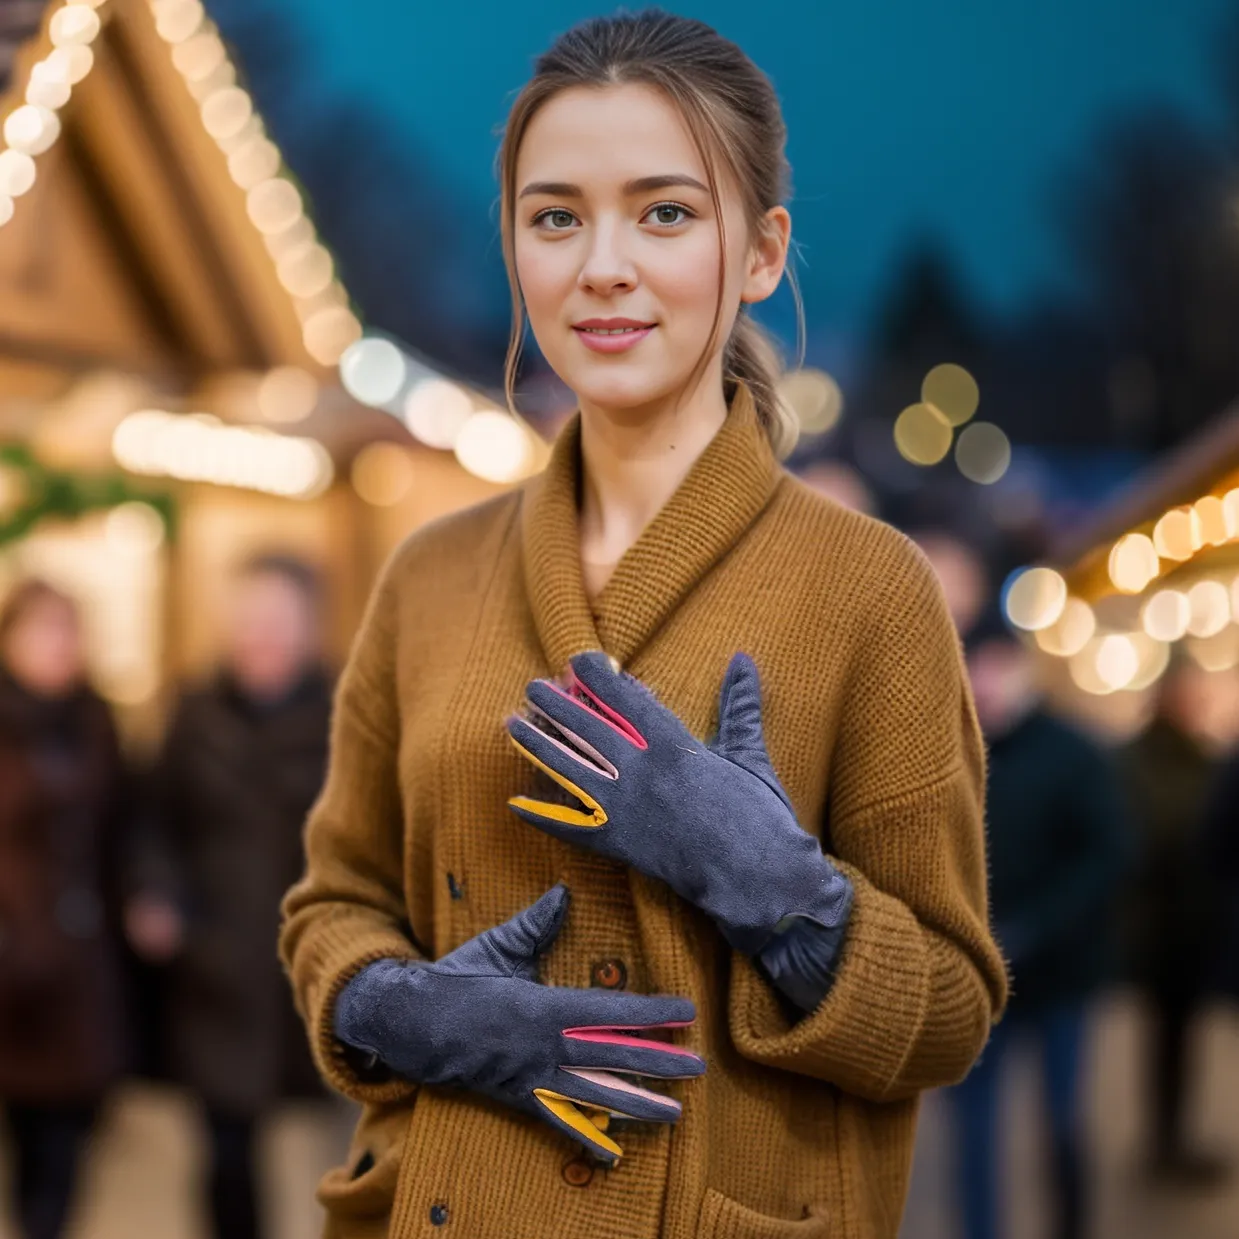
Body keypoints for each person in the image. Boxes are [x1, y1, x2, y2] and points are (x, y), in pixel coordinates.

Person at [280, 13, 1007, 1238]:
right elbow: (331, 900)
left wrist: (779, 891)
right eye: (555, 216)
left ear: (763, 251)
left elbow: (948, 1009)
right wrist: (394, 1010)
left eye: (665, 213)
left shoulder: (869, 586)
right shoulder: (429, 574)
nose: (601, 266)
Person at [137, 554, 335, 1239]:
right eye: (249, 620)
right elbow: (153, 821)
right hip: (217, 963)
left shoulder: (349, 712)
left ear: (310, 627)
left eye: (278, 621)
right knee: (225, 1151)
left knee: (333, 1155)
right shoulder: (194, 712)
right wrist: (157, 895)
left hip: (317, 966)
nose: (262, 636)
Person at [949, 606, 1131, 1239]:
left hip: (1062, 975)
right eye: (977, 666)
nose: (988, 681)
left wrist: (1038, 927)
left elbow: (1108, 854)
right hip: (981, 979)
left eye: (1000, 665)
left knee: (1063, 1122)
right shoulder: (955, 755)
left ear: (1025, 669)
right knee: (973, 1130)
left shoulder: (1074, 752)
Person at [0, 580, 135, 1239]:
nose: (59, 647)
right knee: (24, 1130)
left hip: (81, 962)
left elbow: (123, 833)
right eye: (43, 631)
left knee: (69, 1134)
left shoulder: (96, 721)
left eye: (69, 631)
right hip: (12, 961)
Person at [1119, 655, 1230, 1186]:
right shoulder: (1144, 759)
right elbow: (1153, 835)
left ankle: (1174, 1140)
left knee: (1184, 1043)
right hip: (1163, 929)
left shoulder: (1203, 758)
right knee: (1166, 1041)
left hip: (1194, 926)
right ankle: (1163, 1145)